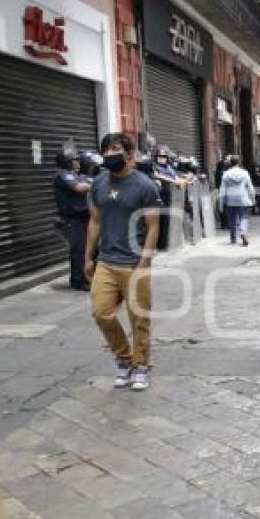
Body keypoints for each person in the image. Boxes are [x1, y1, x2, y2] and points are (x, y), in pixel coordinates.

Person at [85, 133, 162, 391]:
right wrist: (87, 256)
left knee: (139, 318)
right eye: (106, 150)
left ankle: (141, 366)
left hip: (133, 263)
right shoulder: (99, 183)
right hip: (106, 261)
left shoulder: (145, 186)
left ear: (129, 155)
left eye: (115, 149)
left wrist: (145, 260)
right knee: (101, 313)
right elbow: (95, 221)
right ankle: (124, 359)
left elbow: (153, 226)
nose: (109, 155)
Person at [53, 150, 92, 290]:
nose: (78, 162)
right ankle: (78, 281)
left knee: (86, 249)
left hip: (82, 218)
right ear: (67, 161)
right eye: (74, 160)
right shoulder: (62, 175)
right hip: (70, 220)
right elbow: (79, 188)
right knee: (78, 250)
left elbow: (89, 182)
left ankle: (85, 277)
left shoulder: (77, 175)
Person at [219, 155, 255, 246]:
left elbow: (222, 189)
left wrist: (221, 202)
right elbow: (250, 187)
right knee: (244, 217)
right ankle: (243, 232)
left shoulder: (226, 174)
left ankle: (233, 238)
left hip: (230, 198)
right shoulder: (244, 173)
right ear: (239, 162)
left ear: (230, 163)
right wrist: (253, 198)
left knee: (232, 219)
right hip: (242, 198)